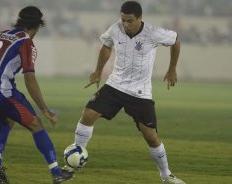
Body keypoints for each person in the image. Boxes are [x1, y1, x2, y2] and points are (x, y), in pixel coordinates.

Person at [64, 1, 186, 184]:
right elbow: (106, 45)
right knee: (88, 114)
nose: (125, 24)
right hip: (115, 86)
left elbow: (176, 40)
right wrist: (98, 71)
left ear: (139, 19)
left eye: (129, 21)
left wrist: (172, 68)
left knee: (151, 137)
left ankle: (166, 175)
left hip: (140, 93)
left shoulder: (153, 33)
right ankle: (73, 162)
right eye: (123, 20)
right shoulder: (115, 29)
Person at [0, 6, 73, 184]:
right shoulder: (26, 43)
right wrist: (45, 109)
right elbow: (29, 78)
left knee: (6, 121)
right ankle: (57, 174)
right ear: (38, 26)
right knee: (36, 124)